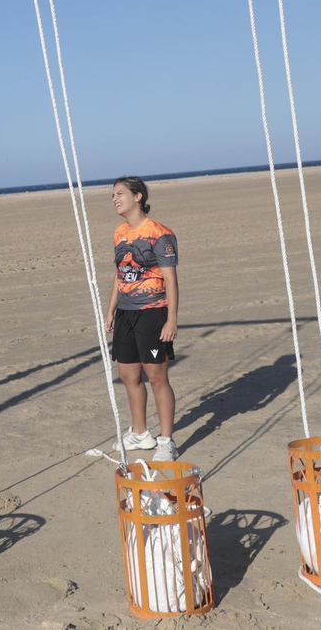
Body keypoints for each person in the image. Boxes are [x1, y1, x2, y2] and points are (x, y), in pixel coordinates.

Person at [103, 176, 181, 462]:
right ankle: (140, 433)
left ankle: (166, 441)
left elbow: (171, 281)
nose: (115, 198)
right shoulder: (119, 232)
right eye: (113, 195)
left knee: (157, 376)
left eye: (120, 193)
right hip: (126, 313)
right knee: (128, 375)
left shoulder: (159, 234)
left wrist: (171, 319)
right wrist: (111, 309)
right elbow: (119, 273)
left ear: (138, 196)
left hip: (152, 313)